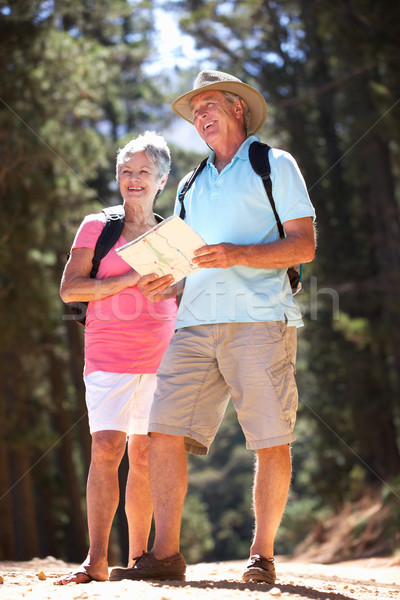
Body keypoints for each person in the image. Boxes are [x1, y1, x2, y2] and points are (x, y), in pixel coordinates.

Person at [109, 70, 316, 585]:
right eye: (195, 110)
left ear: (237, 109)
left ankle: (262, 556)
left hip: (260, 321)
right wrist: (169, 285)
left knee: (270, 439)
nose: (200, 116)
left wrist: (238, 255)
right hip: (194, 324)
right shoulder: (190, 184)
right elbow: (190, 260)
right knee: (161, 432)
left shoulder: (274, 164)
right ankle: (165, 554)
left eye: (210, 106)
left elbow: (304, 245)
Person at [56, 131, 178, 584]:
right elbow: (70, 288)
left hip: (163, 359)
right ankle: (97, 560)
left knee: (145, 457)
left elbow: (185, 290)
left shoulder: (171, 234)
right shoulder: (97, 227)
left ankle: (141, 558)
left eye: (143, 171)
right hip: (108, 356)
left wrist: (173, 286)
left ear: (162, 179)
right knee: (107, 448)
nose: (133, 179)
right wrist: (126, 280)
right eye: (126, 171)